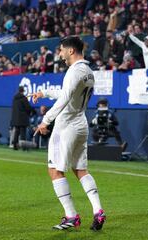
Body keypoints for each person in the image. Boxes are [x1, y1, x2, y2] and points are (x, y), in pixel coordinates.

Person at [31, 37, 106, 231]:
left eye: (62, 50)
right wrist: (45, 93)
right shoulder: (88, 72)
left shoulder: (74, 71)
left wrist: (46, 120)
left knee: (55, 170)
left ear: (71, 51)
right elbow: (69, 93)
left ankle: (71, 215)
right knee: (80, 169)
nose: (60, 54)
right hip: (81, 123)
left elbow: (65, 98)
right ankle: (98, 210)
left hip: (66, 125)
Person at [11, 86, 32, 150]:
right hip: (23, 118)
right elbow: (28, 108)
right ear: (23, 91)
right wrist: (30, 113)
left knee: (16, 132)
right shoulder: (24, 98)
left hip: (16, 118)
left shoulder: (14, 98)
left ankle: (15, 146)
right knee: (23, 133)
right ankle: (23, 147)